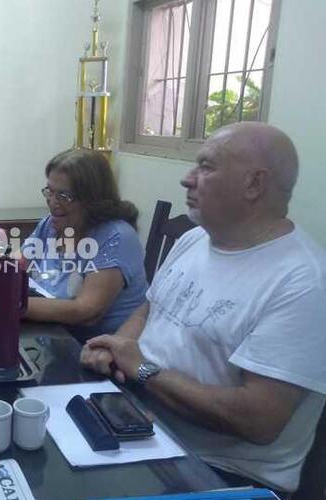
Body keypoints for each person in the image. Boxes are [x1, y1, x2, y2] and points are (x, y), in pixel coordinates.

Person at [81, 122, 326, 494]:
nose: (187, 179)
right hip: (139, 420)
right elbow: (149, 311)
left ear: (254, 184)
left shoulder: (303, 282)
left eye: (206, 167)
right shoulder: (196, 238)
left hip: (217, 473)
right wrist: (113, 349)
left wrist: (144, 369)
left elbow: (259, 420)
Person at [21, 149, 147, 338]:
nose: (52, 202)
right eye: (50, 191)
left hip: (101, 352)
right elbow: (18, 264)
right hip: (54, 334)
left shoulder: (117, 237)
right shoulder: (51, 224)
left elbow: (86, 312)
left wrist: (10, 304)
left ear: (92, 199)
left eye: (63, 196)